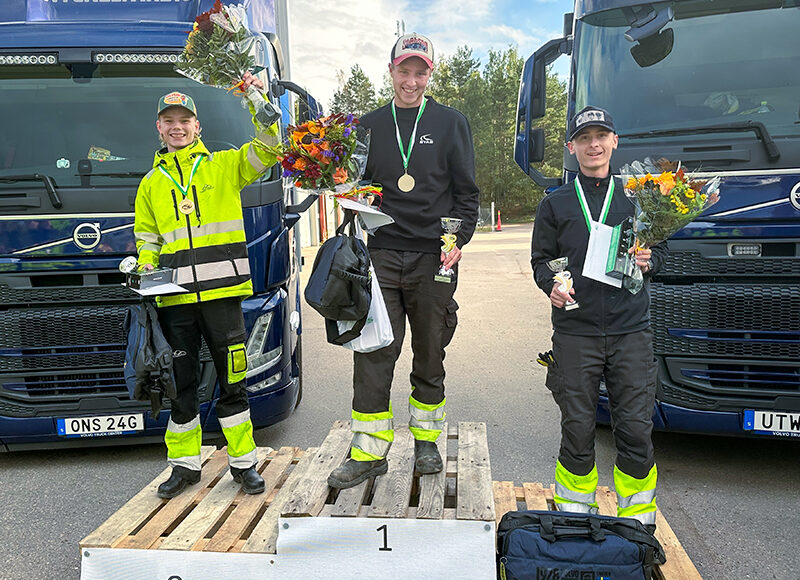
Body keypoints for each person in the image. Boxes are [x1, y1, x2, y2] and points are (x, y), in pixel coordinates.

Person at [327, 33, 480, 489]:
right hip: (381, 254)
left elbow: (467, 193)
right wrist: (348, 195)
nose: (411, 81)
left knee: (430, 349)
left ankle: (426, 441)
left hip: (435, 257)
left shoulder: (451, 123)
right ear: (390, 71)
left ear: (430, 74)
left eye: (420, 73)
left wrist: (458, 240)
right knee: (374, 350)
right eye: (404, 71)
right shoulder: (367, 126)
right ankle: (367, 451)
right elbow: (356, 188)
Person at [134, 73, 279, 499]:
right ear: (159, 128)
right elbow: (147, 237)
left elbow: (271, 146)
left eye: (184, 120)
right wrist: (146, 264)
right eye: (169, 121)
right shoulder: (151, 184)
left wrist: (255, 97)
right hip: (175, 299)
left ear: (198, 126)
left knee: (234, 382)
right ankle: (184, 466)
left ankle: (244, 464)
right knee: (180, 385)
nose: (177, 127)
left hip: (223, 297)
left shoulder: (225, 165)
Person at [530, 106, 666, 529]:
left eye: (601, 136)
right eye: (584, 138)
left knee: (635, 429)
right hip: (575, 333)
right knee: (577, 428)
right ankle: (575, 519)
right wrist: (551, 286)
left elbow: (663, 252)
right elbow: (540, 262)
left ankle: (637, 525)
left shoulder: (639, 197)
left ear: (614, 142)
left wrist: (650, 260)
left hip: (631, 333)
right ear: (571, 147)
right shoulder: (555, 203)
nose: (594, 145)